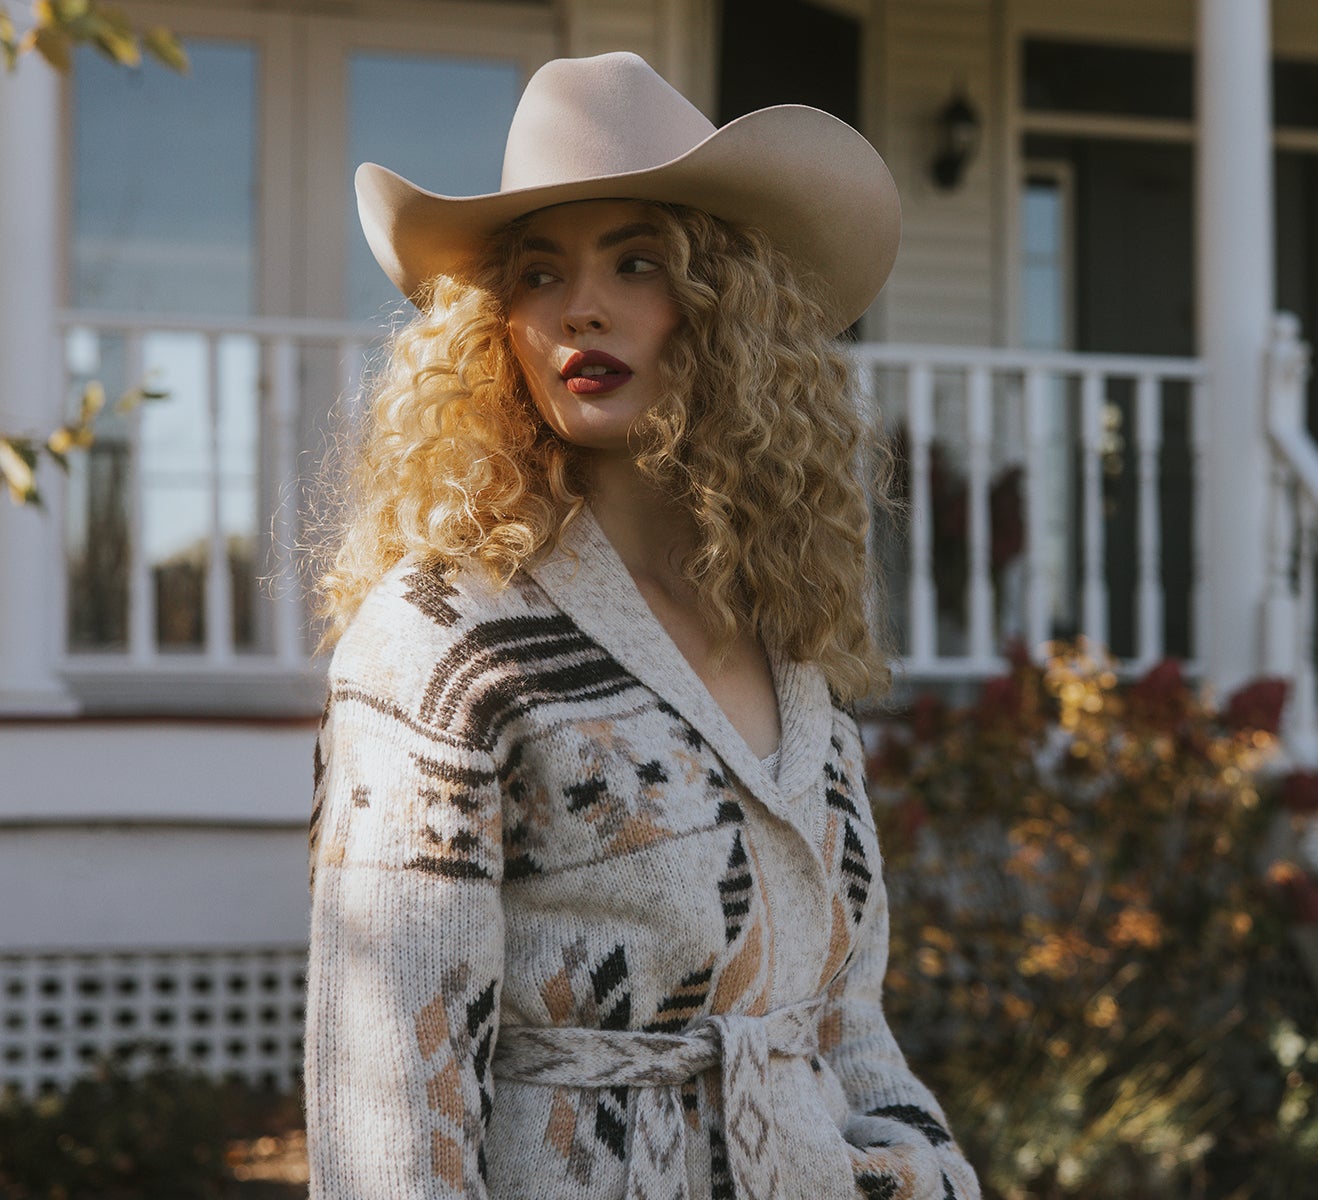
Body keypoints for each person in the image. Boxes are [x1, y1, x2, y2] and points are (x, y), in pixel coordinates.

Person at [304, 52, 979, 1198]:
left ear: (726, 311)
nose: (582, 307)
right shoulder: (443, 642)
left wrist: (932, 1168)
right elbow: (391, 1111)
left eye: (637, 262)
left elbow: (845, 1027)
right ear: (495, 327)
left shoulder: (784, 643)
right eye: (537, 273)